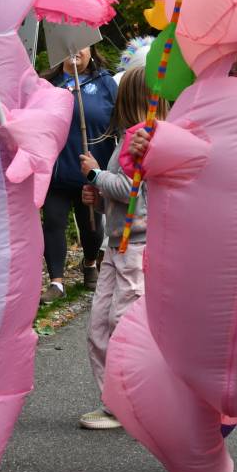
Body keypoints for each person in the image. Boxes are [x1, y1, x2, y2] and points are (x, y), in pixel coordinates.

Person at [78, 65, 168, 429]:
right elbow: (122, 199)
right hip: (115, 246)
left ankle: (135, 402)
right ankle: (114, 401)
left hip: (136, 247)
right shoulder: (126, 141)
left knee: (123, 324)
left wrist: (95, 175)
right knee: (99, 327)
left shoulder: (147, 140)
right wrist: (98, 197)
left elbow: (133, 193)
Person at [40, 46, 117, 302]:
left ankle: (90, 262)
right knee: (53, 221)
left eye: (81, 46)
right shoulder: (48, 84)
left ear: (92, 49)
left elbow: (120, 123)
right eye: (69, 45)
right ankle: (57, 282)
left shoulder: (105, 83)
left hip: (91, 174)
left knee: (92, 228)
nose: (75, 50)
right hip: (56, 171)